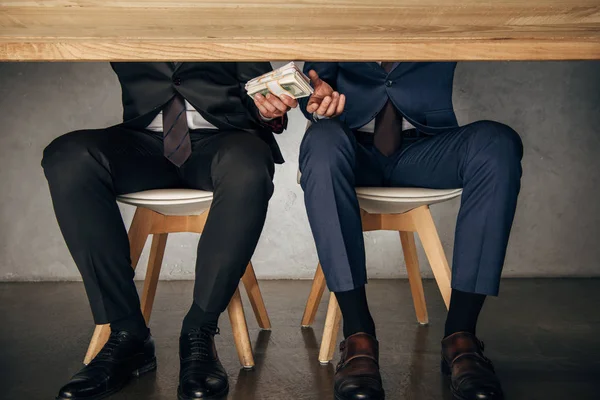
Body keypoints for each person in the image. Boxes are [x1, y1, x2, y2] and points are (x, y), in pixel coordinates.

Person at [42, 62, 297, 400]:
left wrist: (269, 111)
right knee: (68, 157)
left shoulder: (232, 10)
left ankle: (199, 331)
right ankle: (127, 332)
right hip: (143, 142)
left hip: (223, 139)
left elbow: (257, 86)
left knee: (249, 164)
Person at [298, 62, 523, 400]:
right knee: (321, 143)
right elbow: (316, 77)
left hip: (425, 147)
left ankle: (461, 336)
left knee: (498, 143)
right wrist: (315, 98)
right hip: (349, 146)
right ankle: (358, 334)